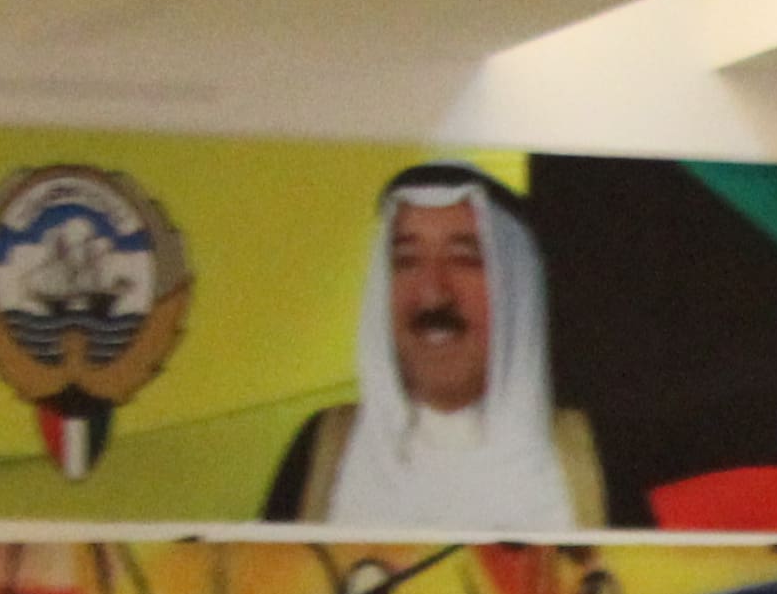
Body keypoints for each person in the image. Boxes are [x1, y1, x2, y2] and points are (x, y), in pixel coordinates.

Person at [257, 165, 609, 529]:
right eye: (406, 261)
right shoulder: (321, 450)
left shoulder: (595, 461)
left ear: (516, 289)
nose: (433, 294)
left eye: (464, 259)